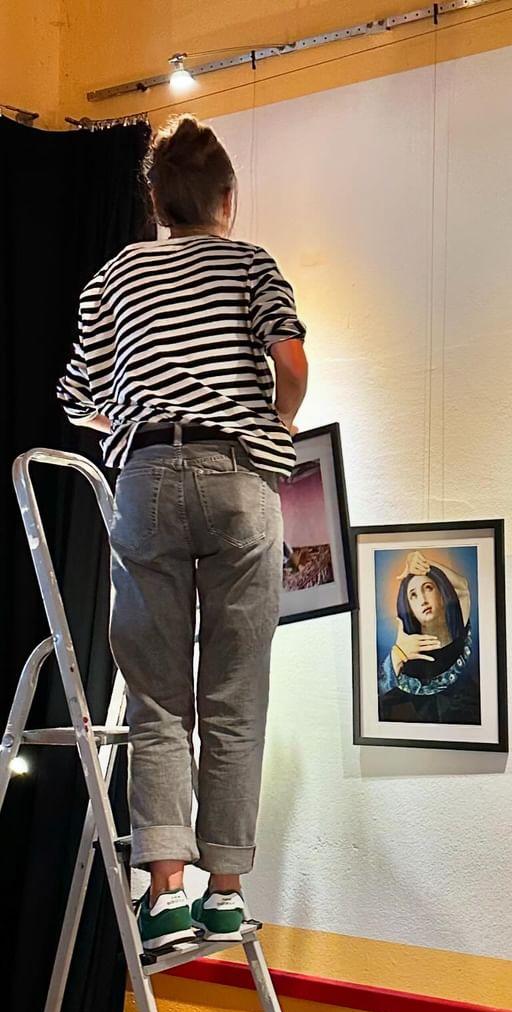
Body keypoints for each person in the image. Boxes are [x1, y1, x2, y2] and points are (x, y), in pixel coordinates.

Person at [55, 114, 309, 951]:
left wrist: (133, 419)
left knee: (158, 695)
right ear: (227, 199)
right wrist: (272, 428)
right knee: (234, 696)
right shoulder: (250, 263)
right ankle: (225, 888)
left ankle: (164, 889)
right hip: (239, 476)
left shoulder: (114, 276)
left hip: (147, 480)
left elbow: (74, 396)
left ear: (157, 202)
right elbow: (292, 363)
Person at [378, 551, 480, 725]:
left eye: (428, 588)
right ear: (407, 605)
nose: (423, 599)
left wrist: (424, 564)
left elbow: (462, 586)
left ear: (442, 594)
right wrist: (398, 655)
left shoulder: (458, 627)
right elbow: (373, 696)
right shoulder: (405, 655)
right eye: (413, 595)